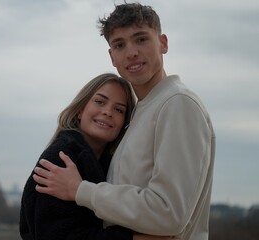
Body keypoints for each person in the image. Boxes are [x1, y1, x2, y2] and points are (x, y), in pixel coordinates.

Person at [33, 3, 215, 240]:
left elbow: (168, 213)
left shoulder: (177, 104)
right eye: (119, 44)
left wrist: (80, 190)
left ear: (163, 43)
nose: (131, 53)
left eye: (141, 39)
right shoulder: (141, 113)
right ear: (112, 56)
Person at [20, 73, 172, 240]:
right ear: (80, 110)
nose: (107, 112)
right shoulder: (60, 159)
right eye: (100, 102)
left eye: (119, 109)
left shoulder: (108, 163)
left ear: (124, 122)